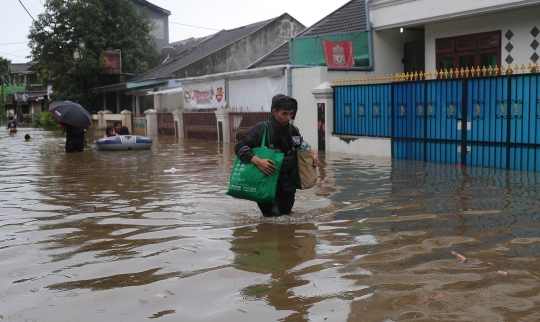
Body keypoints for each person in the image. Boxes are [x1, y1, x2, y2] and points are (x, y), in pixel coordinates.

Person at [234, 94, 320, 217]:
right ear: (274, 111)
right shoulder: (262, 129)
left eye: (291, 114)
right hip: (267, 180)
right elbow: (239, 147)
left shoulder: (292, 129)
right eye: (284, 114)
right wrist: (258, 161)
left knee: (286, 215)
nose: (288, 117)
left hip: (288, 182)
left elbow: (300, 145)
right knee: (272, 219)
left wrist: (312, 154)